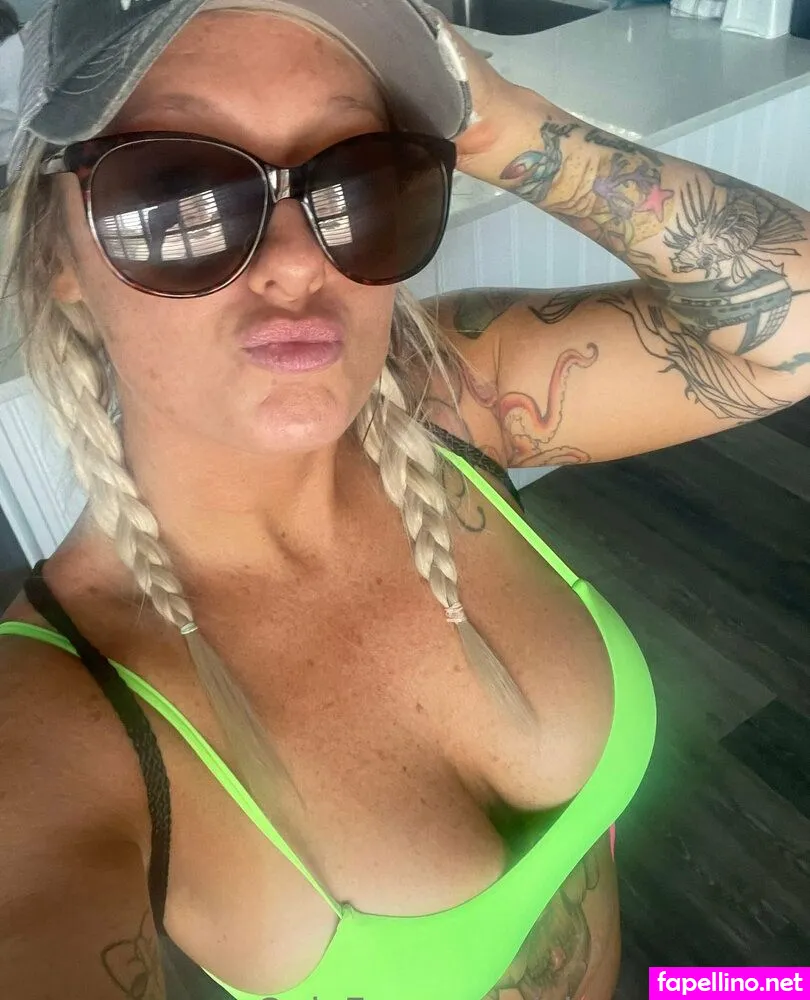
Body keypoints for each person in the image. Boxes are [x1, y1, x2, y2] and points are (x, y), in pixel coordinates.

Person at [0, 1, 806, 998]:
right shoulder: (58, 724)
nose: (300, 260)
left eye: (357, 177)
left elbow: (791, 329)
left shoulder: (448, 399)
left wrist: (500, 124)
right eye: (176, 195)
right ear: (57, 255)